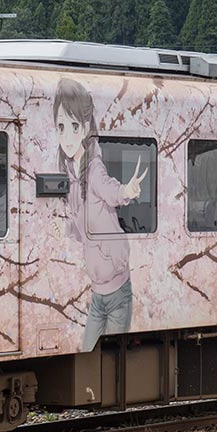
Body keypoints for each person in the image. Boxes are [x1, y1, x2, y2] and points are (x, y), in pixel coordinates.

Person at [56, 79, 147, 351]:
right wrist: (62, 228)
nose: (67, 136)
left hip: (118, 290)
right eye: (61, 127)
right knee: (89, 351)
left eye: (74, 127)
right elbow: (79, 226)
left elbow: (111, 191)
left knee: (106, 355)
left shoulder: (93, 169)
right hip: (98, 292)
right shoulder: (72, 176)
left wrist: (127, 191)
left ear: (85, 128)